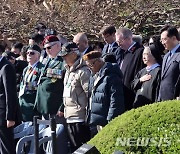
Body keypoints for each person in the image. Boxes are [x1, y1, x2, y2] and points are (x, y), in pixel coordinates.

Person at [83, 51, 125, 136]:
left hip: (106, 120)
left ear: (99, 61)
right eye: (88, 66)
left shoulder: (112, 76)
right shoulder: (94, 76)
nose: (90, 68)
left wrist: (111, 119)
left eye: (91, 65)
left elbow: (116, 100)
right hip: (96, 120)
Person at [59, 42, 91, 152]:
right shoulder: (68, 71)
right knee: (73, 148)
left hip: (80, 117)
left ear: (74, 54)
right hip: (69, 116)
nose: (64, 58)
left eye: (65, 55)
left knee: (82, 148)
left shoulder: (83, 71)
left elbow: (89, 93)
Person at [35, 35, 65, 120]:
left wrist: (62, 107)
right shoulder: (48, 60)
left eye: (49, 48)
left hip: (55, 104)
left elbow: (63, 80)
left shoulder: (62, 60)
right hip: (44, 104)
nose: (47, 51)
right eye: (45, 49)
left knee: (56, 131)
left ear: (58, 46)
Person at [116, 27, 145, 110]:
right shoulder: (124, 52)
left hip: (132, 95)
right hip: (124, 94)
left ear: (128, 39)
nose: (118, 44)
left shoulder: (139, 52)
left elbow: (139, 74)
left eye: (120, 41)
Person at [0, 44, 19, 154]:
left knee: (7, 147)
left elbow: (10, 94)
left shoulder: (6, 67)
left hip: (4, 116)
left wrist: (10, 117)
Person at [19, 45, 44, 121]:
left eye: (32, 53)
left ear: (38, 55)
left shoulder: (42, 68)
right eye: (27, 53)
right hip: (23, 104)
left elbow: (41, 86)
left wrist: (26, 87)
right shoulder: (26, 69)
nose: (29, 55)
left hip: (33, 105)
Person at [158, 25, 180, 101]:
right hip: (164, 99)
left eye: (164, 39)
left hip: (175, 99)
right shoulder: (166, 56)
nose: (162, 43)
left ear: (174, 38)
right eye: (161, 40)